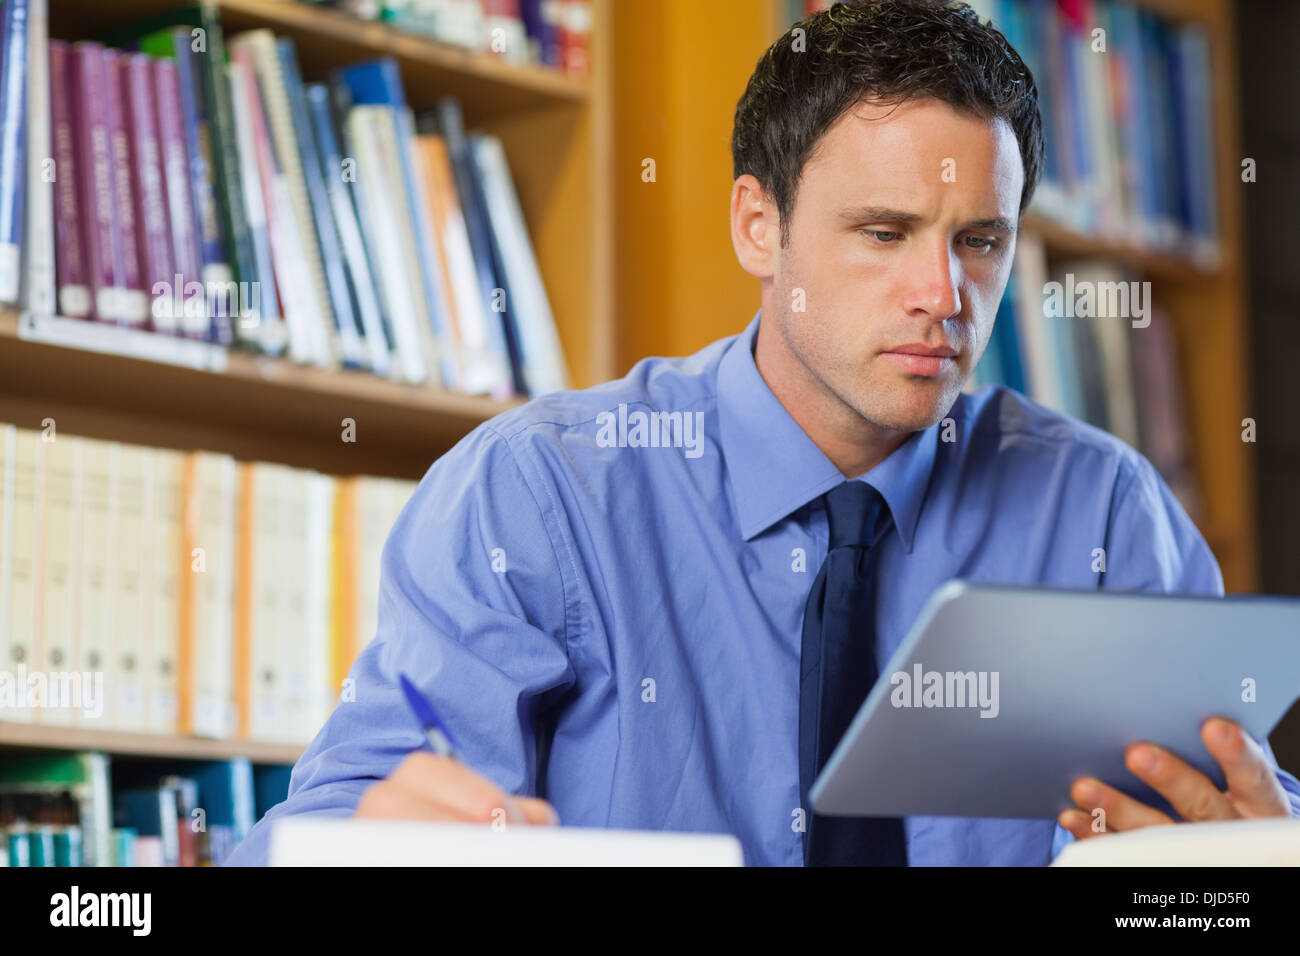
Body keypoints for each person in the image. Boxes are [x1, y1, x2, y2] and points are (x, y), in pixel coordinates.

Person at [227, 0, 1300, 866]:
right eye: (884, 233)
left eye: (980, 241)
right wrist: (353, 851)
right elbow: (312, 840)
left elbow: (1238, 831)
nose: (943, 293)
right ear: (758, 224)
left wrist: (1245, 867)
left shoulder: (1103, 512)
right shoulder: (536, 493)